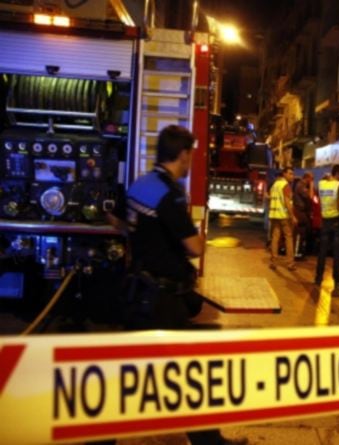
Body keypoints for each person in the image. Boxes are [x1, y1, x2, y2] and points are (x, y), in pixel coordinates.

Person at [108, 125, 247, 445]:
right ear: (183, 154)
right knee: (189, 375)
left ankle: (96, 436)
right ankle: (210, 443)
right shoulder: (169, 194)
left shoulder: (140, 184)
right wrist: (202, 233)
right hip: (162, 300)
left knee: (126, 375)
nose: (190, 161)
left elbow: (118, 222)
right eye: (190, 155)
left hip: (139, 292)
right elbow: (195, 248)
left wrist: (145, 238)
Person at [314, 164, 339, 289]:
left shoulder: (322, 184)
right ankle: (337, 280)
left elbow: (318, 194)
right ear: (338, 173)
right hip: (336, 221)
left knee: (322, 251)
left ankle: (318, 278)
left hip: (325, 221)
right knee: (337, 252)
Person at [269, 166, 297, 270]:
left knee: (275, 238)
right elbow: (287, 202)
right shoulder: (285, 185)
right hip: (284, 216)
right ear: (284, 174)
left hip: (274, 215)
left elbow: (269, 197)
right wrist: (292, 216)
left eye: (292, 174)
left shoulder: (275, 185)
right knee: (288, 238)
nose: (292, 176)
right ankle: (290, 263)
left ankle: (273, 262)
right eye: (290, 174)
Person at [293, 171, 314, 258]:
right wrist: (311, 186)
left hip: (302, 212)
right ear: (307, 178)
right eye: (311, 179)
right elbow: (310, 196)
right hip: (300, 212)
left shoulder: (301, 185)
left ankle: (300, 251)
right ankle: (297, 252)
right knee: (300, 232)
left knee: (304, 232)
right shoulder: (301, 186)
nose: (312, 181)